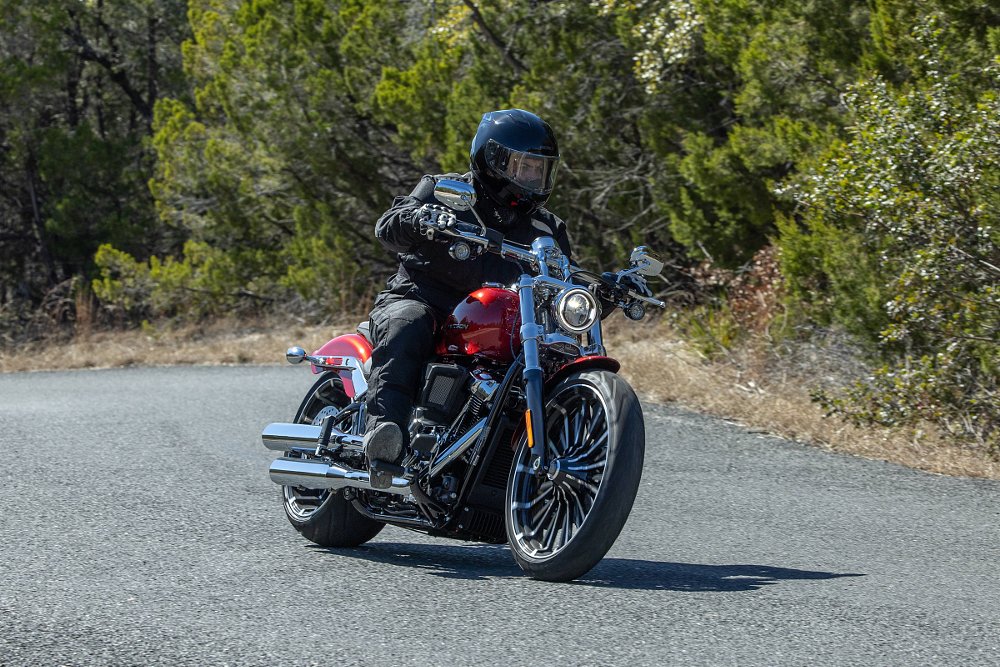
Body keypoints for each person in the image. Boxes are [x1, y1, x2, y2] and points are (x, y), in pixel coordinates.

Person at [363, 108, 572, 488]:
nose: (532, 178)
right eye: (524, 167)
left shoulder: (547, 227)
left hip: (498, 323)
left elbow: (566, 284)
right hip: (425, 300)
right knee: (408, 323)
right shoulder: (445, 192)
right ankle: (385, 436)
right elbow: (387, 228)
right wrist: (419, 219)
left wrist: (605, 291)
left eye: (539, 170)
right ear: (493, 160)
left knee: (554, 357)